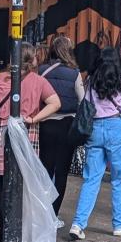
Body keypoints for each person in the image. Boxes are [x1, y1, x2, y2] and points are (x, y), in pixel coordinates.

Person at [0, 41, 60, 242]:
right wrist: (34, 119)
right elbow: (55, 103)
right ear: (32, 59)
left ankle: (3, 234)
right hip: (27, 133)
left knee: (1, 187)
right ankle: (19, 233)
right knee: (23, 187)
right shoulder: (38, 81)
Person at [68, 47, 121, 240]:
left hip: (94, 128)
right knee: (120, 178)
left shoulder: (90, 81)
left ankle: (78, 224)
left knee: (91, 179)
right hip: (116, 127)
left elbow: (85, 103)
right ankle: (118, 225)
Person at [37, 35, 85, 217]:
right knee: (62, 171)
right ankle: (53, 214)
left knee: (46, 169)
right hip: (67, 125)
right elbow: (82, 100)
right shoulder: (74, 73)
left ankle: (42, 211)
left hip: (46, 125)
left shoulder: (41, 70)